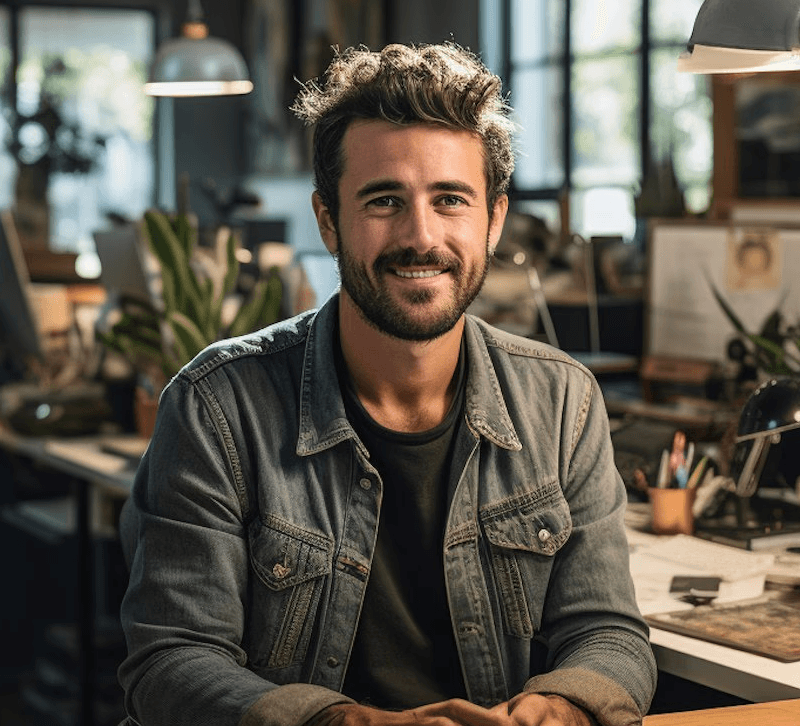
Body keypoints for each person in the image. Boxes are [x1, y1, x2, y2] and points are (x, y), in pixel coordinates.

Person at [118, 43, 657, 726]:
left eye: (450, 200)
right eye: (383, 200)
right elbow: (171, 663)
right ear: (328, 220)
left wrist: (562, 705)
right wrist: (347, 724)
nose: (420, 236)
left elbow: (608, 632)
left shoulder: (563, 401)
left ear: (493, 221)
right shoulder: (217, 406)